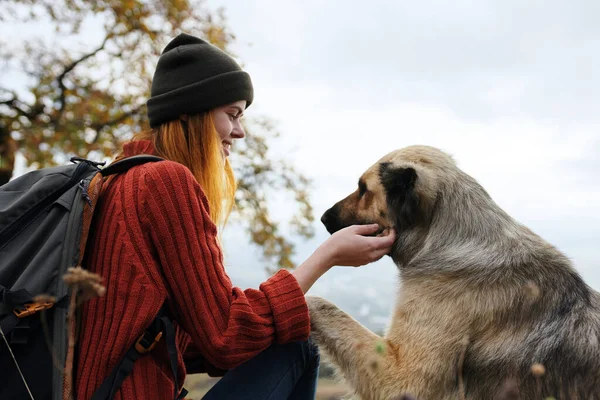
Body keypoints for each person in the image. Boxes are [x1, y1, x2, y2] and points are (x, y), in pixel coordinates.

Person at [75, 33, 396, 400]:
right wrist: (326, 257)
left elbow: (180, 338)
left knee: (286, 335)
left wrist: (256, 330)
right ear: (192, 112)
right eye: (232, 115)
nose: (240, 132)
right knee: (299, 344)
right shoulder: (164, 182)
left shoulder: (116, 178)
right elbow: (225, 337)